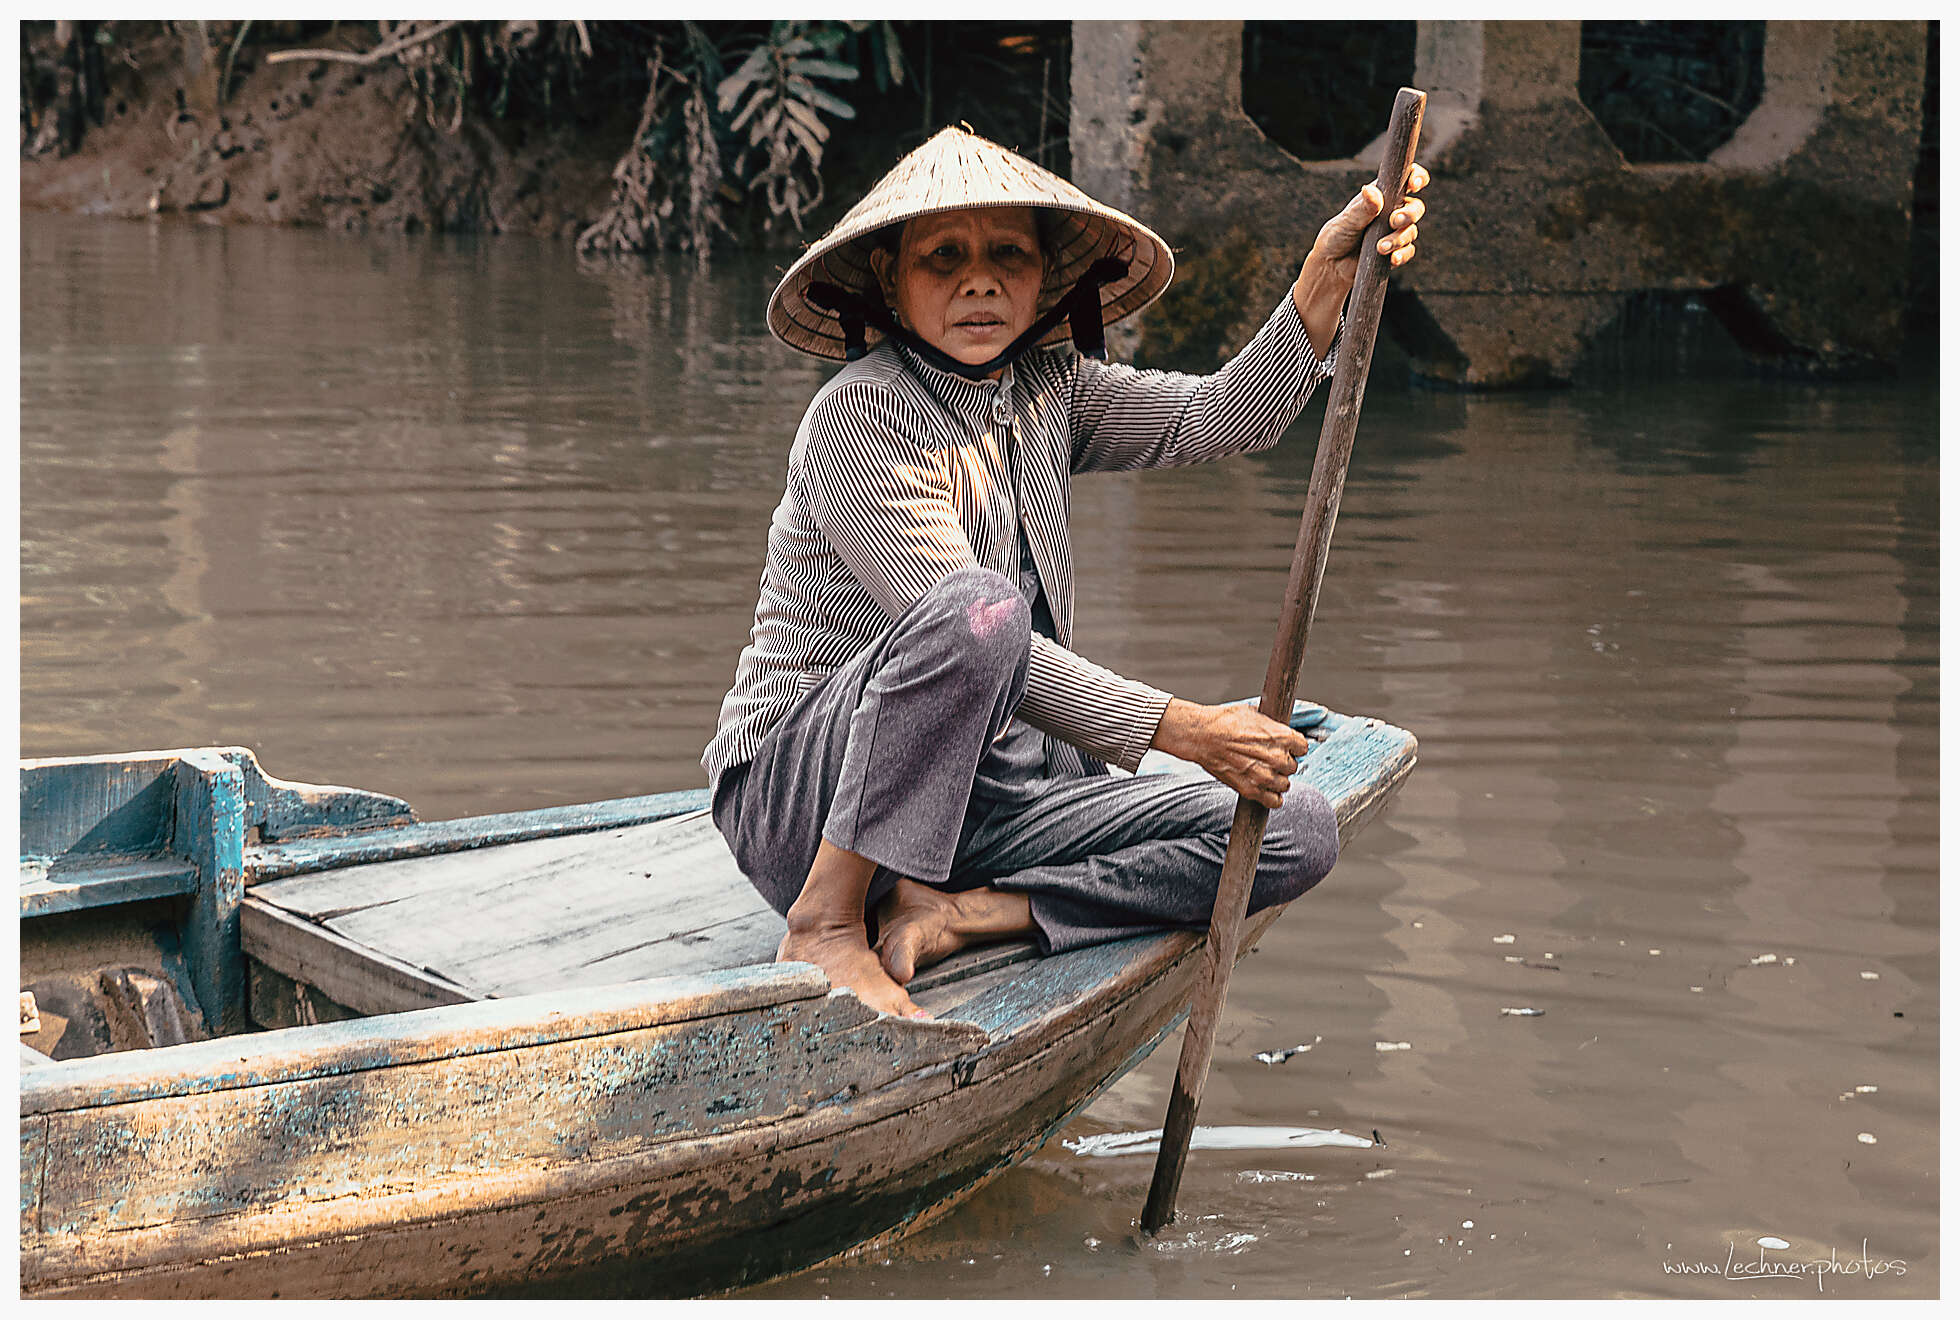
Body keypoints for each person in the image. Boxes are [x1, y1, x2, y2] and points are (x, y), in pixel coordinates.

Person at [705, 126, 1427, 1018]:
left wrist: (1322, 285)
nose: (980, 280)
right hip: (807, 800)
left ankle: (974, 913)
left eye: (1007, 253)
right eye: (944, 258)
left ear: (1044, 277)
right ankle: (827, 922)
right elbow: (981, 637)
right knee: (983, 612)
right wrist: (1191, 731)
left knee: (1295, 836)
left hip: (984, 807)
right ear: (891, 280)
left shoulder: (1052, 386)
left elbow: (1215, 419)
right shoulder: (858, 415)